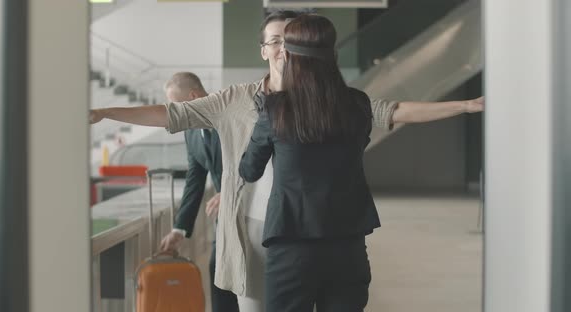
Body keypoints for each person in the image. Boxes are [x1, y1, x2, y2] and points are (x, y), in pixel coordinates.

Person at [89, 11, 484, 311]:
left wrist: (465, 104)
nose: (282, 48)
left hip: (311, 231)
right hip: (253, 234)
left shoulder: (334, 101)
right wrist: (108, 112)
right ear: (264, 50)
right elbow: (172, 115)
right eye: (274, 41)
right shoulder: (235, 100)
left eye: (288, 39)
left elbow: (394, 110)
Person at [238, 14, 380, 311]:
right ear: (334, 56)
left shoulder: (275, 109)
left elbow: (249, 170)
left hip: (292, 246)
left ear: (288, 56)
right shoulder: (359, 104)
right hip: (348, 245)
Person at [156, 72, 239, 312]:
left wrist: (231, 191)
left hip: (253, 215)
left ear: (193, 96)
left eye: (176, 105)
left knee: (249, 286)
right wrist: (179, 228)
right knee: (219, 275)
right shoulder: (190, 131)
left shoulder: (232, 118)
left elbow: (259, 164)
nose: (175, 114)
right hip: (224, 220)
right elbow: (195, 178)